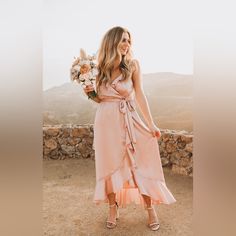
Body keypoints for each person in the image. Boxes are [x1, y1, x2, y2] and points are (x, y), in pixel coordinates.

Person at [83, 26, 176, 231]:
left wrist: (151, 124)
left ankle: (150, 208)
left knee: (140, 163)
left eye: (128, 41)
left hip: (130, 118)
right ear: (111, 42)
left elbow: (140, 94)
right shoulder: (98, 68)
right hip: (106, 122)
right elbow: (100, 99)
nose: (126, 45)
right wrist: (89, 92)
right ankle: (112, 207)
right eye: (122, 40)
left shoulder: (133, 65)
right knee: (108, 165)